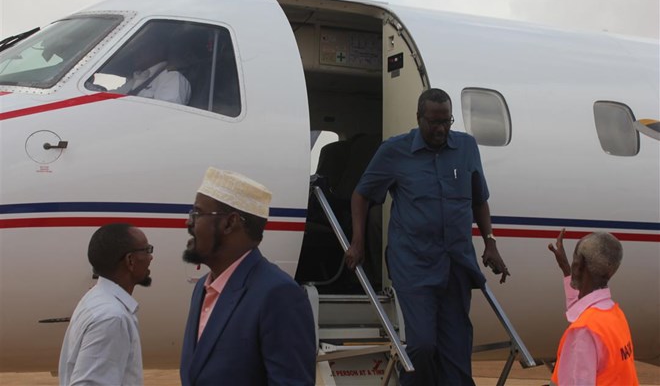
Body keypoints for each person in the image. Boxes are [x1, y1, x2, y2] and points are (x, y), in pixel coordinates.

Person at [344, 87, 509, 386]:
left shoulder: (466, 147)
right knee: (422, 346)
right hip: (414, 265)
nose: (441, 129)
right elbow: (362, 195)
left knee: (456, 351)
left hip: (456, 264)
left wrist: (490, 242)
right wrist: (358, 242)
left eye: (446, 121)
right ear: (419, 117)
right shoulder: (395, 150)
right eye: (434, 122)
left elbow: (479, 201)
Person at [179, 167, 316, 386]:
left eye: (197, 213)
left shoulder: (278, 294)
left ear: (229, 223)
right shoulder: (202, 289)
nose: (188, 223)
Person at [58, 223, 154, 386]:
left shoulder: (95, 300)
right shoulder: (111, 317)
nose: (151, 257)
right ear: (130, 260)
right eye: (147, 250)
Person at [548, 229, 639, 385]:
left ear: (578, 266)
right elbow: (581, 310)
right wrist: (566, 269)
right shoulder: (614, 315)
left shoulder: (584, 332)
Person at [116, 39, 191, 105]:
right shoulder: (137, 77)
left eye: (142, 46)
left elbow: (166, 113)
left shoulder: (171, 77)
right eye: (135, 47)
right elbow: (115, 96)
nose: (136, 51)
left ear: (159, 49)